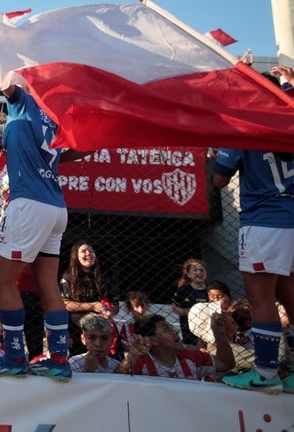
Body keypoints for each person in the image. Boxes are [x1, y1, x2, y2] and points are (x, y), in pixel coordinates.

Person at [0, 1, 86, 382]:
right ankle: (59, 360)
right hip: (57, 205)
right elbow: (72, 155)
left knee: (2, 281)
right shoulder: (54, 118)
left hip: (30, 204)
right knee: (46, 285)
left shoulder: (24, 102)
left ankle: (13, 356)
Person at [212, 145, 293, 394]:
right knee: (290, 299)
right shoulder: (286, 125)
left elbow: (219, 180)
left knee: (261, 300)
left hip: (264, 223)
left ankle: (266, 374)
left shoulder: (245, 133)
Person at [125, 313, 233, 380]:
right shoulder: (139, 362)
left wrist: (219, 334)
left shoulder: (191, 356)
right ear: (153, 340)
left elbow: (226, 364)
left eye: (172, 327)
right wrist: (132, 356)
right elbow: (117, 382)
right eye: (167, 329)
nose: (176, 331)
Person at [59, 240, 120, 355]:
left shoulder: (104, 275)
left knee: (113, 354)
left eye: (91, 251)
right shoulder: (67, 276)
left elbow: (115, 303)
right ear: (76, 256)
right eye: (83, 251)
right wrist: (93, 305)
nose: (88, 254)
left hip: (104, 322)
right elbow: (65, 304)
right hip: (76, 323)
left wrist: (109, 313)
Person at [171, 258, 209, 347]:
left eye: (201, 270)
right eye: (195, 270)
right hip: (189, 333)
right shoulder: (184, 289)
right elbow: (174, 306)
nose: (199, 273)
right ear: (188, 274)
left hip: (207, 332)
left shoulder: (210, 289)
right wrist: (186, 312)